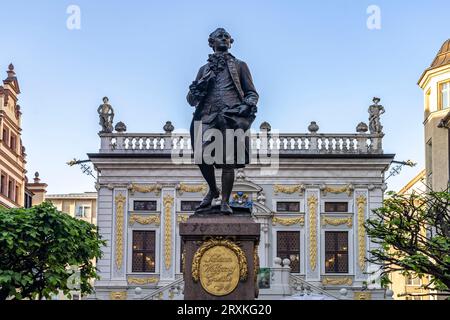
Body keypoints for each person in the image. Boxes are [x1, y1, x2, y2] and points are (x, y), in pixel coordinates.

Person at [187, 28, 258, 214]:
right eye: (220, 36)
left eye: (227, 37)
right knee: (201, 155)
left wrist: (247, 104)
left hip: (230, 116)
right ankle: (213, 189)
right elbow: (191, 100)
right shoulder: (203, 70)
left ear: (230, 42)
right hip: (207, 115)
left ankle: (225, 201)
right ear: (211, 42)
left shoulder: (240, 65)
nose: (224, 39)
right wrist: (200, 85)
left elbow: (251, 92)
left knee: (228, 161)